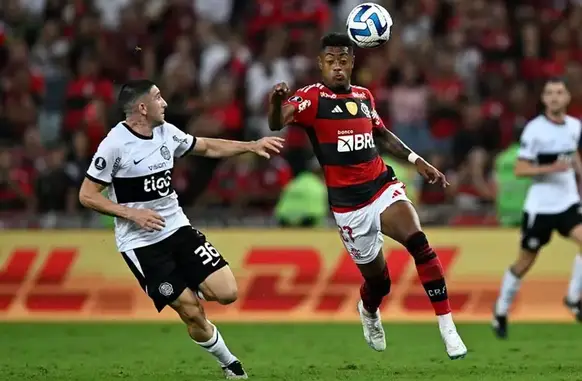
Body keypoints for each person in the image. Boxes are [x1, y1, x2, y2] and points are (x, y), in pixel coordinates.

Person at [268, 33, 467, 359]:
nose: (337, 67)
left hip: (381, 186)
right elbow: (277, 122)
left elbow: (381, 134)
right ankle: (369, 311)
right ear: (321, 64)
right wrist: (277, 102)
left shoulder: (363, 96)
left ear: (352, 63)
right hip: (349, 206)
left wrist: (417, 161)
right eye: (330, 61)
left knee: (418, 241)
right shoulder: (312, 98)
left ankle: (447, 327)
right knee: (380, 283)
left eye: (343, 60)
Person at [79, 79, 284, 379]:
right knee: (192, 313)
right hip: (141, 243)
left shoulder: (166, 132)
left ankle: (188, 283)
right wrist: (131, 214)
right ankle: (231, 365)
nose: (164, 103)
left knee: (227, 292)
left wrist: (251, 146)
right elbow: (87, 194)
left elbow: (207, 146)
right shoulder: (114, 145)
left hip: (177, 228)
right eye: (158, 98)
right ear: (141, 107)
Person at [493, 78, 582, 338]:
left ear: (567, 98)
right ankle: (500, 310)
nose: (555, 97)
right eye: (550, 93)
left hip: (567, 203)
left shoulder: (575, 126)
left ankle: (573, 298)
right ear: (544, 99)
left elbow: (574, 155)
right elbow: (521, 168)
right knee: (524, 262)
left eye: (559, 92)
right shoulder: (534, 130)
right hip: (540, 207)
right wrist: (550, 168)